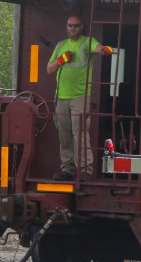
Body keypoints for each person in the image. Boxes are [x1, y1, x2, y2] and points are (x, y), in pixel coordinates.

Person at [47, 15, 112, 180]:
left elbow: (99, 49)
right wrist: (61, 60)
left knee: (80, 133)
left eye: (76, 25)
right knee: (64, 134)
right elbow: (49, 69)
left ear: (82, 27)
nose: (73, 28)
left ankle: (85, 170)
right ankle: (68, 169)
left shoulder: (86, 42)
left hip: (79, 97)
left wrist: (105, 50)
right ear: (66, 26)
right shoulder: (61, 45)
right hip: (61, 97)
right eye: (70, 25)